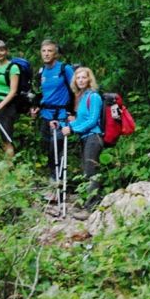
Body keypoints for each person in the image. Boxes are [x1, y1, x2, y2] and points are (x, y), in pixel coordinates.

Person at [30, 39, 75, 195]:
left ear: (55, 53)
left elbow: (76, 90)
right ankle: (54, 181)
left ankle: (58, 185)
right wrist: (35, 108)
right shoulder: (41, 72)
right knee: (48, 150)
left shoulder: (64, 69)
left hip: (61, 115)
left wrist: (73, 113)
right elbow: (42, 94)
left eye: (50, 51)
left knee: (57, 150)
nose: (46, 54)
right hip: (45, 116)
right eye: (44, 51)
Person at [59, 66, 104, 218]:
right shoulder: (82, 97)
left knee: (91, 172)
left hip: (94, 137)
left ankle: (92, 207)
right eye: (78, 78)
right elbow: (79, 120)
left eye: (84, 77)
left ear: (89, 79)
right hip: (85, 138)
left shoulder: (94, 97)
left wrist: (72, 129)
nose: (81, 80)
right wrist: (64, 125)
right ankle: (88, 203)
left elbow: (92, 120)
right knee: (87, 171)